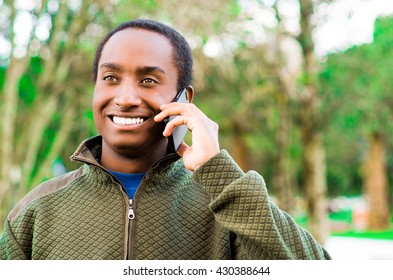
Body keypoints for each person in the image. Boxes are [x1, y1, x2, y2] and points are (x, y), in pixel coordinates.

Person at [0, 19, 331, 260]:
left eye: (147, 80)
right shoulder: (37, 210)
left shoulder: (226, 204)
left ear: (184, 99)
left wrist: (218, 173)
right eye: (110, 78)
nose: (126, 97)